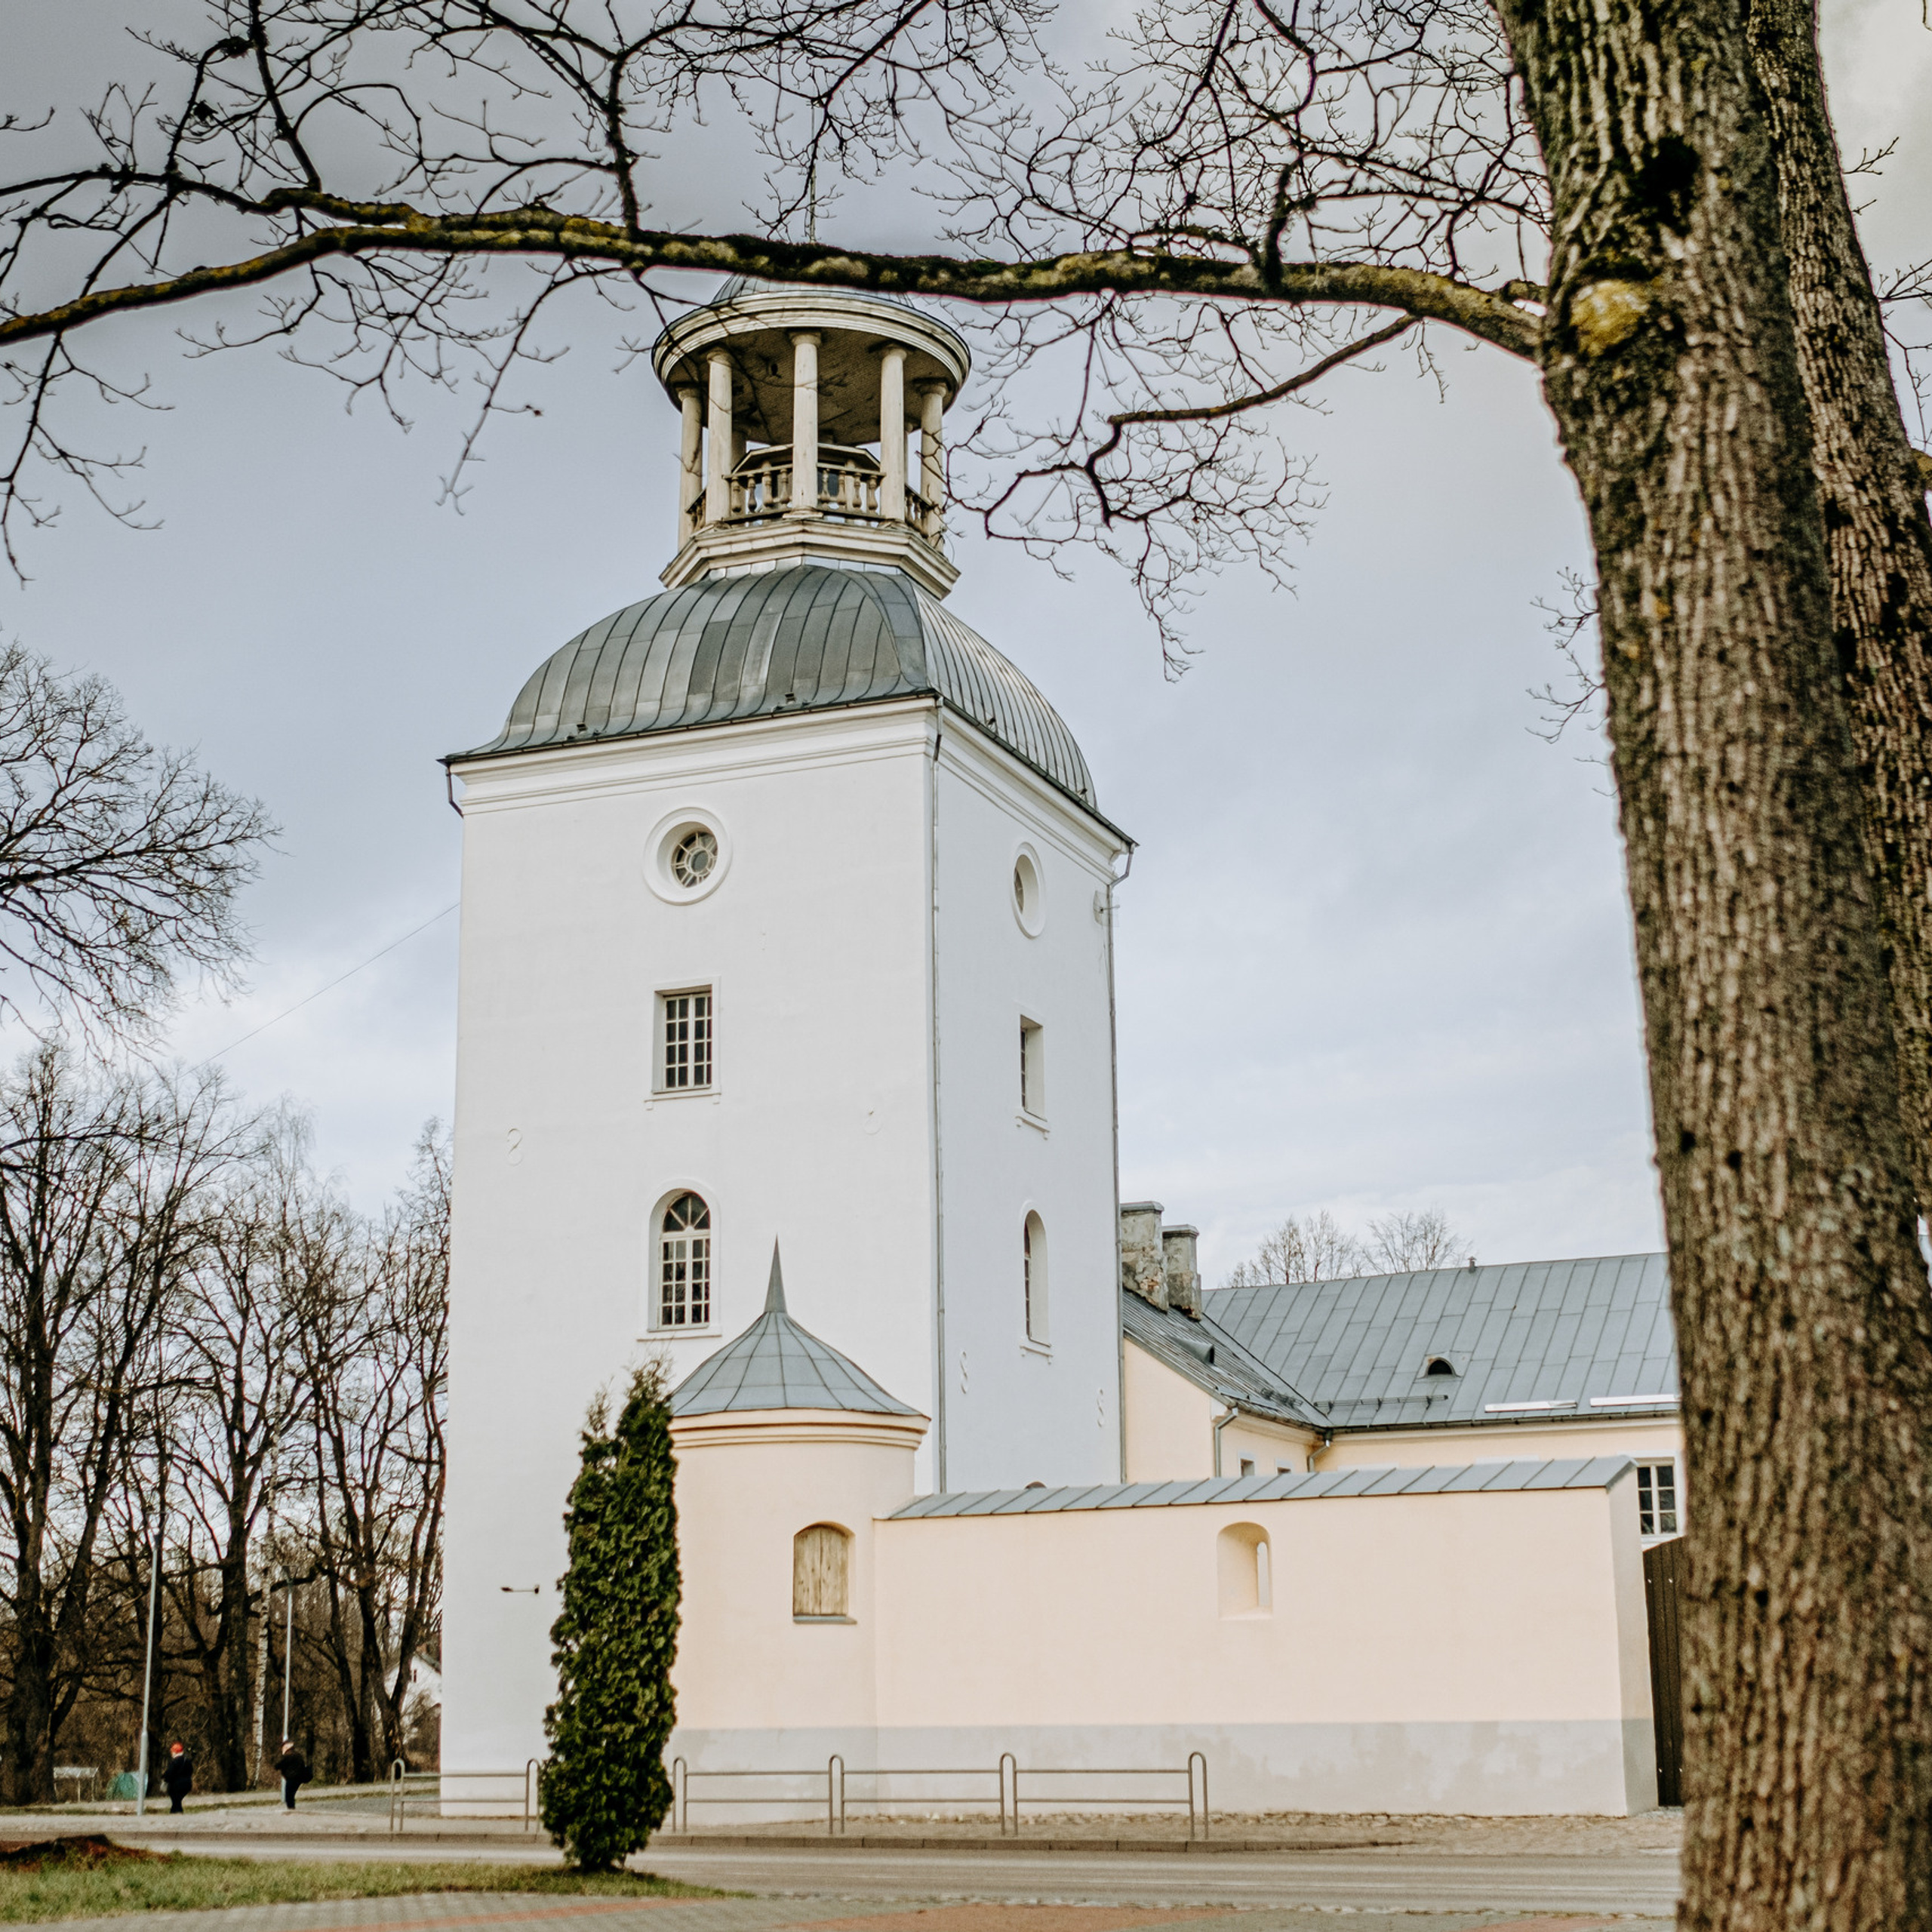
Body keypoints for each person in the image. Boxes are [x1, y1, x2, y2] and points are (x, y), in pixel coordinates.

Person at [274, 1739, 310, 1811]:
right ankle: (292, 1809)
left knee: (289, 1795)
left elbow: (279, 1765)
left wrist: (276, 1767)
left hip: (292, 1778)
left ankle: (291, 1810)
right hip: (298, 1778)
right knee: (291, 1795)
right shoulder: (298, 1755)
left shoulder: (289, 1755)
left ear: (287, 1747)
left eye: (283, 1747)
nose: (282, 1749)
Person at [162, 1742, 192, 1814]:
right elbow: (191, 1771)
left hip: (176, 1786)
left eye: (172, 1751)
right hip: (187, 1784)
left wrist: (164, 1779)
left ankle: (176, 1813)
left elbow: (169, 1773)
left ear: (175, 1752)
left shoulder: (175, 1762)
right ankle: (177, 1812)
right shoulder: (187, 1761)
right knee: (177, 1801)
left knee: (176, 1801)